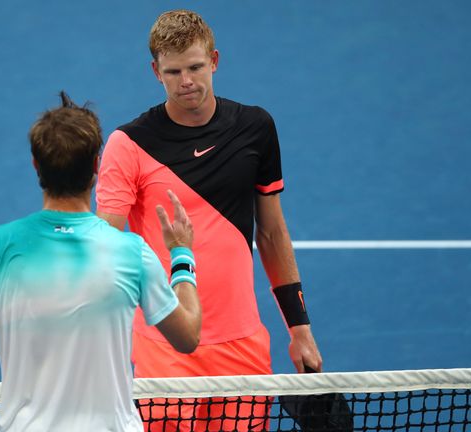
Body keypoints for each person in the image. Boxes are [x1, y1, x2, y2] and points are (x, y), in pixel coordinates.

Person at [0, 92, 201, 432]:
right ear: (97, 166)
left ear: (36, 165)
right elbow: (187, 337)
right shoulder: (131, 250)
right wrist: (181, 254)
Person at [96, 9, 322, 430]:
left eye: (196, 67)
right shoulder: (128, 145)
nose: (186, 81)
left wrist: (300, 327)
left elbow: (271, 233)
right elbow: (105, 246)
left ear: (214, 61)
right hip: (164, 343)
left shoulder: (255, 128)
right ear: (155, 72)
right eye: (174, 71)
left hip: (242, 343)